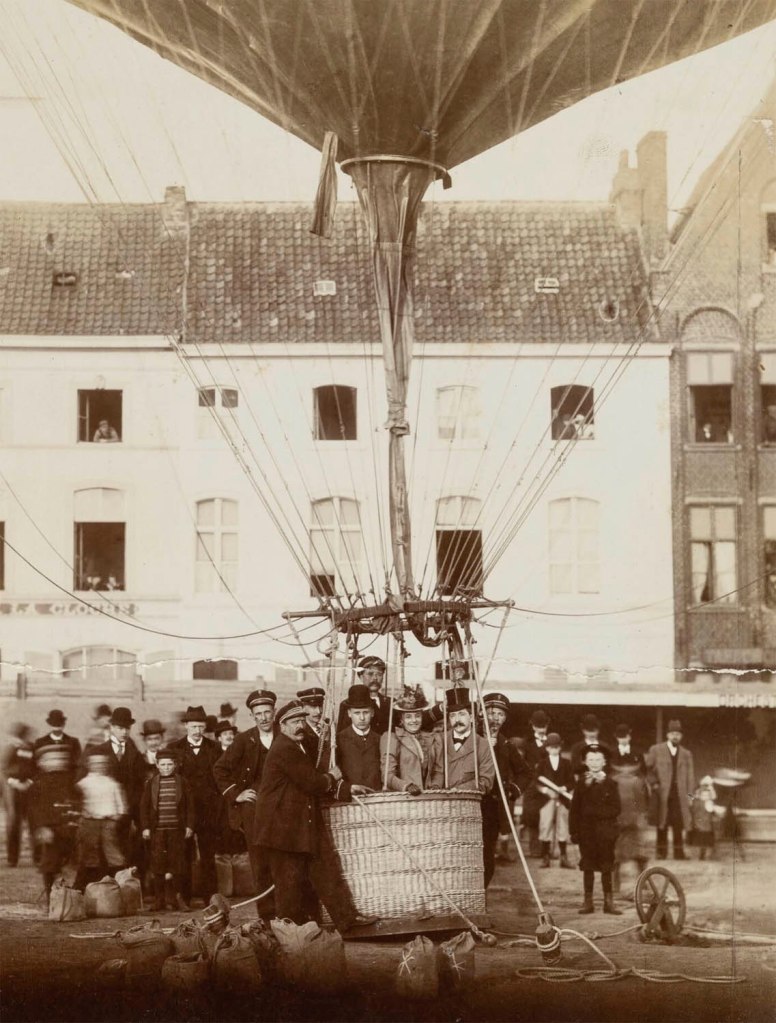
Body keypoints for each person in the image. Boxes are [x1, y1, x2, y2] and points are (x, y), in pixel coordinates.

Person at [254, 699, 376, 932]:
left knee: (325, 870)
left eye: (302, 720)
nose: (300, 725)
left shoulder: (299, 744)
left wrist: (347, 788)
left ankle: (347, 920)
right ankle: (289, 934)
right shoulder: (284, 748)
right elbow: (312, 782)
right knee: (288, 885)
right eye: (294, 722)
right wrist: (332, 776)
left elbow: (315, 772)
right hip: (283, 829)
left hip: (300, 824)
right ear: (283, 725)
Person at [212, 690, 277, 919]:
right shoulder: (244, 740)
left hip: (283, 812)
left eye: (267, 712)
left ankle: (288, 918)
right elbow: (219, 769)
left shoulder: (284, 736)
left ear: (274, 712)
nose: (263, 717)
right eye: (258, 713)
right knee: (260, 866)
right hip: (255, 813)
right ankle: (268, 919)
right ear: (252, 716)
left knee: (285, 864)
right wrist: (236, 794)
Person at [170, 705, 222, 905]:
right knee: (183, 853)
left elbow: (219, 778)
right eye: (193, 726)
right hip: (184, 810)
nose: (197, 731)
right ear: (186, 726)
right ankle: (184, 896)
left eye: (200, 727)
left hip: (209, 809)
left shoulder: (214, 748)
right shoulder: (175, 748)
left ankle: (210, 896)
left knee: (209, 853)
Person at [481, 693, 532, 884]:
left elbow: (526, 773)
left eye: (500, 714)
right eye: (491, 712)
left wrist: (513, 790)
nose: (495, 719)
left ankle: (481, 895)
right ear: (481, 713)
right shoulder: (471, 738)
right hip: (468, 804)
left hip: (492, 809)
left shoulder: (505, 744)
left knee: (487, 854)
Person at [86, 707, 146, 867]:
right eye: (120, 728)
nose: (124, 732)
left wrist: (133, 807)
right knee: (106, 850)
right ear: (111, 728)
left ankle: (128, 883)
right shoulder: (99, 751)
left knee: (130, 847)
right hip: (107, 810)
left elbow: (141, 782)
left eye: (127, 728)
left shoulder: (135, 753)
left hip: (129, 809)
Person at [569, 746, 622, 915]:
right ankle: (588, 902)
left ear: (604, 762)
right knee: (588, 865)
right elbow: (574, 809)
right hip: (586, 832)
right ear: (585, 762)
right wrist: (574, 831)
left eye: (598, 760)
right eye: (591, 760)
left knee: (607, 866)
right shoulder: (580, 784)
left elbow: (616, 808)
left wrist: (599, 814)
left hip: (606, 832)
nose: (594, 763)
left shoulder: (611, 784)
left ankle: (609, 903)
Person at [140, 747, 195, 911]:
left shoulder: (182, 782)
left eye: (169, 765)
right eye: (162, 765)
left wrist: (190, 825)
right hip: (158, 831)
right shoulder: (151, 783)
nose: (166, 768)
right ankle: (159, 900)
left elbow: (191, 806)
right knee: (158, 865)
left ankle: (178, 898)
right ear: (156, 765)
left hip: (176, 830)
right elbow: (144, 807)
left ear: (175, 765)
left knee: (177, 864)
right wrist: (145, 828)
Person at [28, 744, 79, 900]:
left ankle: (75, 895)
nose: (57, 762)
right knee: (50, 863)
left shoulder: (72, 780)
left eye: (61, 758)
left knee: (79, 862)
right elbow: (33, 810)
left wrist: (77, 817)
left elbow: (78, 801)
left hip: (71, 827)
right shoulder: (38, 784)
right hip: (51, 830)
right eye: (52, 759)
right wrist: (41, 828)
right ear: (41, 762)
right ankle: (52, 896)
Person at [74, 750, 127, 890]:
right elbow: (78, 804)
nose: (99, 766)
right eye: (96, 764)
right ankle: (90, 888)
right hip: (89, 822)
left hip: (109, 822)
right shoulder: (83, 784)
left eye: (103, 763)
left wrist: (116, 817)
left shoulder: (112, 784)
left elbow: (120, 805)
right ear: (89, 765)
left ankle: (118, 888)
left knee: (113, 854)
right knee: (90, 854)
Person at [645, 719, 695, 861]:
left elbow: (691, 777)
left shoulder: (686, 754)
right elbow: (648, 770)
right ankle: (661, 853)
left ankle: (679, 853)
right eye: (672, 733)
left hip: (680, 794)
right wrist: (654, 784)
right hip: (662, 793)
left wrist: (690, 797)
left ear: (681, 736)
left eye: (678, 734)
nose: (675, 736)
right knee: (662, 822)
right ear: (667, 735)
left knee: (679, 823)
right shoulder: (656, 750)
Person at [428, 687, 495, 793]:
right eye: (452, 715)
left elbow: (486, 781)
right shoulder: (440, 740)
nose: (457, 720)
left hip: (468, 803)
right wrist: (435, 788)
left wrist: (459, 790)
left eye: (462, 714)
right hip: (441, 802)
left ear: (472, 717)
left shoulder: (483, 745)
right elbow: (436, 771)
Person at [379, 689, 441, 793]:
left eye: (417, 715)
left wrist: (436, 786)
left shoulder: (432, 738)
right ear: (401, 720)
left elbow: (438, 770)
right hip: (403, 799)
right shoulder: (392, 738)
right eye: (408, 717)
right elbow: (387, 776)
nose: (414, 720)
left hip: (428, 799)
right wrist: (406, 786)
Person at [535, 732, 574, 870]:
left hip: (563, 799)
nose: (554, 749)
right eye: (551, 747)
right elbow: (536, 782)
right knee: (545, 826)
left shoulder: (566, 763)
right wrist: (547, 791)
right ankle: (546, 857)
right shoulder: (542, 764)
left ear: (560, 747)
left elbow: (571, 782)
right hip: (547, 800)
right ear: (547, 748)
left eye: (557, 747)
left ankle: (563, 857)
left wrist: (564, 787)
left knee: (562, 827)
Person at [612, 762, 650, 892]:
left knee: (636, 853)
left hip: (630, 821)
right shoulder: (615, 781)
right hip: (620, 820)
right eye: (623, 768)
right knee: (618, 852)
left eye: (628, 768)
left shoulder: (637, 782)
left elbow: (642, 802)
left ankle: (642, 881)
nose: (626, 771)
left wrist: (641, 817)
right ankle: (615, 882)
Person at [2, 723, 35, 867]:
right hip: (13, 789)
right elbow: (4, 770)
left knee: (33, 822)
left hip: (28, 789)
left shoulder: (31, 748)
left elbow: (35, 768)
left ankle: (37, 857)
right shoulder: (10, 749)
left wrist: (28, 782)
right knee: (14, 823)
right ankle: (12, 858)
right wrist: (14, 783)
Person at [337, 684, 381, 789]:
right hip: (350, 801)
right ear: (349, 713)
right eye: (357, 713)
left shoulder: (380, 739)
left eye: (365, 712)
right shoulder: (339, 740)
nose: (362, 718)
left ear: (372, 713)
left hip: (376, 798)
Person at [520, 709, 551, 856]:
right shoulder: (527, 743)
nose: (541, 729)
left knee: (547, 815)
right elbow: (522, 764)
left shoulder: (552, 743)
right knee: (532, 816)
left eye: (543, 726)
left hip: (548, 784)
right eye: (538, 726)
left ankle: (547, 850)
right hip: (532, 784)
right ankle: (534, 849)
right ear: (533, 726)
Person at [336, 657, 391, 734]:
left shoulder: (391, 703)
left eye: (379, 674)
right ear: (361, 677)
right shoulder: (347, 705)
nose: (375, 678)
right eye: (370, 674)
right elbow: (342, 737)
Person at [33, 710, 82, 781]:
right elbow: (36, 764)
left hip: (67, 781)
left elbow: (77, 765)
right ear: (50, 725)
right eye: (54, 724)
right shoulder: (40, 742)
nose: (57, 727)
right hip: (46, 781)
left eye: (59, 724)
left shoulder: (73, 742)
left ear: (63, 724)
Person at [569, 714, 613, 779]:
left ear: (598, 731)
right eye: (588, 731)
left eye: (594, 731)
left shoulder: (605, 747)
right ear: (583, 731)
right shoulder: (576, 748)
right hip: (583, 782)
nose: (591, 734)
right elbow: (575, 769)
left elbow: (609, 767)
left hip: (603, 781)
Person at [297, 687, 331, 769]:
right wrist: (325, 741)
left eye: (320, 706)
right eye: (313, 707)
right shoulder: (300, 734)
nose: (319, 711)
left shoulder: (327, 728)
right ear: (303, 708)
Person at [689, 775, 718, 861]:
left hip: (706, 824)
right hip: (700, 823)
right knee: (700, 839)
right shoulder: (697, 796)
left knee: (705, 840)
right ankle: (700, 854)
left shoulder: (710, 796)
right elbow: (690, 797)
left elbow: (713, 797)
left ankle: (704, 854)